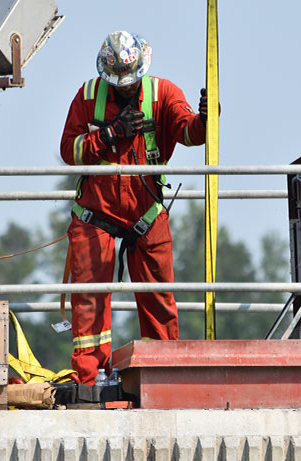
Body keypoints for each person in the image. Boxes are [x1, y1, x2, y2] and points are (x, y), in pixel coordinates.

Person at [60, 31, 209, 384]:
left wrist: (206, 119)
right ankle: (90, 379)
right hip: (96, 214)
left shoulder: (163, 94)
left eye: (131, 81)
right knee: (89, 300)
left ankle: (163, 376)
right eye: (119, 82)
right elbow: (70, 151)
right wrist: (108, 135)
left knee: (158, 299)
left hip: (147, 214)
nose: (126, 88)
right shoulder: (88, 96)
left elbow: (189, 133)